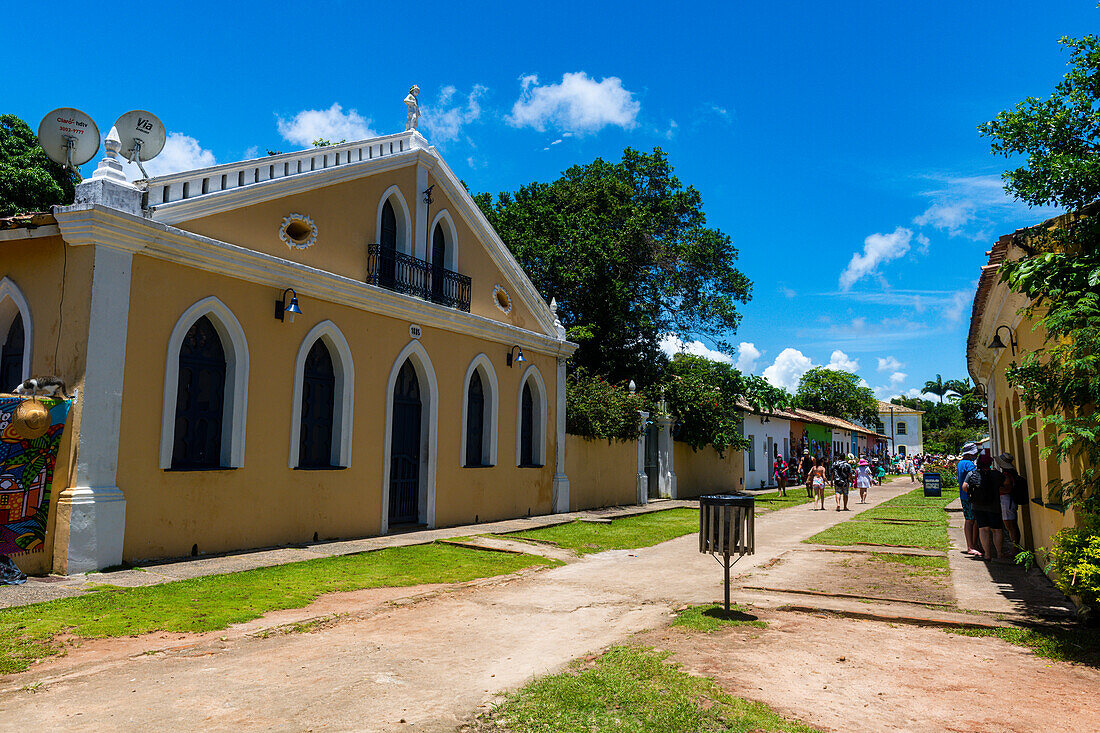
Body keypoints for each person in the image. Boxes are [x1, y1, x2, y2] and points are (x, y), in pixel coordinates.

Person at [962, 454, 1005, 561]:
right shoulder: (996, 474)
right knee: (997, 530)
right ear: (990, 464)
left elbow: (964, 487)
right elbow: (1006, 484)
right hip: (994, 505)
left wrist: (975, 492)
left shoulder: (972, 474)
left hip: (977, 506)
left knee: (983, 529)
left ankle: (987, 554)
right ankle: (999, 553)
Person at [956, 443, 980, 557]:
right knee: (971, 521)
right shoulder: (969, 464)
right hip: (970, 496)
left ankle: (973, 544)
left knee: (970, 520)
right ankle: (971, 546)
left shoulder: (961, 463)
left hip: (964, 495)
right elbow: (975, 477)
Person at [995, 452, 1023, 550]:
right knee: (1012, 526)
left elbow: (1007, 489)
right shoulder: (1011, 473)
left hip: (1007, 502)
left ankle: (1014, 549)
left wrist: (995, 488)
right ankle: (1015, 548)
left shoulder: (1006, 475)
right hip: (1008, 502)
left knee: (1011, 527)